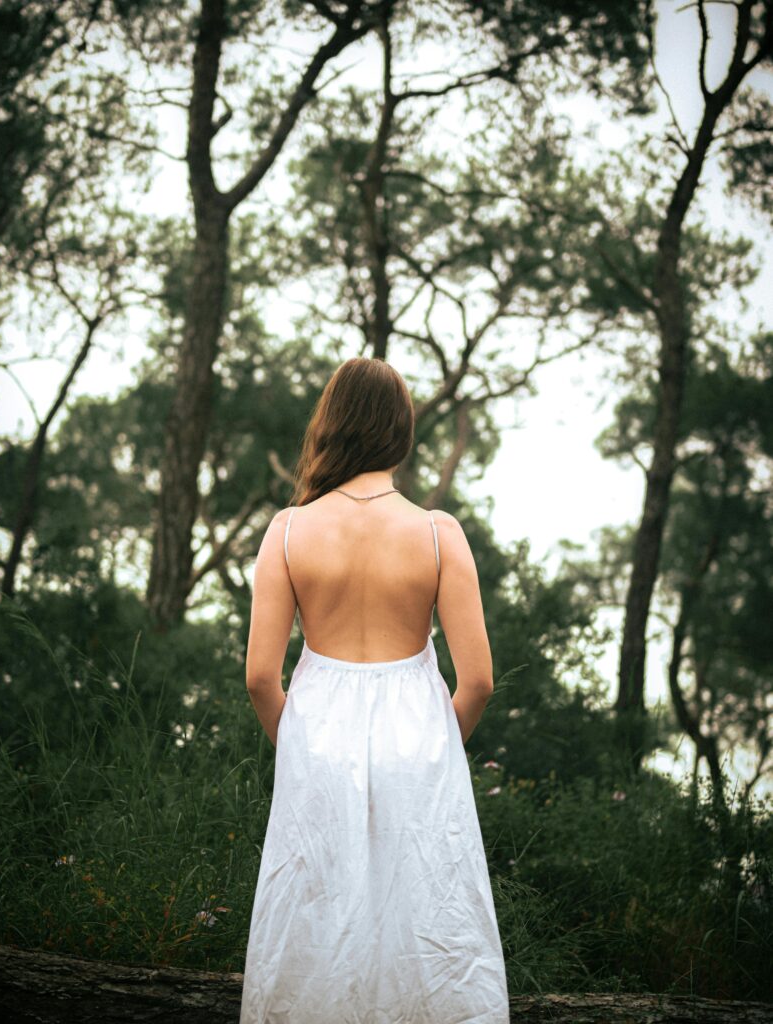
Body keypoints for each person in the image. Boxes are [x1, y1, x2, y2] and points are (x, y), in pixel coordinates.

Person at [239, 357, 509, 1023]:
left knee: (312, 924)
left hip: (317, 740)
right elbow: (477, 680)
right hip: (418, 741)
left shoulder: (288, 530)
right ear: (400, 430)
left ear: (330, 425)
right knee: (427, 918)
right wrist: (436, 750)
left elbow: (259, 677)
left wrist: (300, 746)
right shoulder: (438, 533)